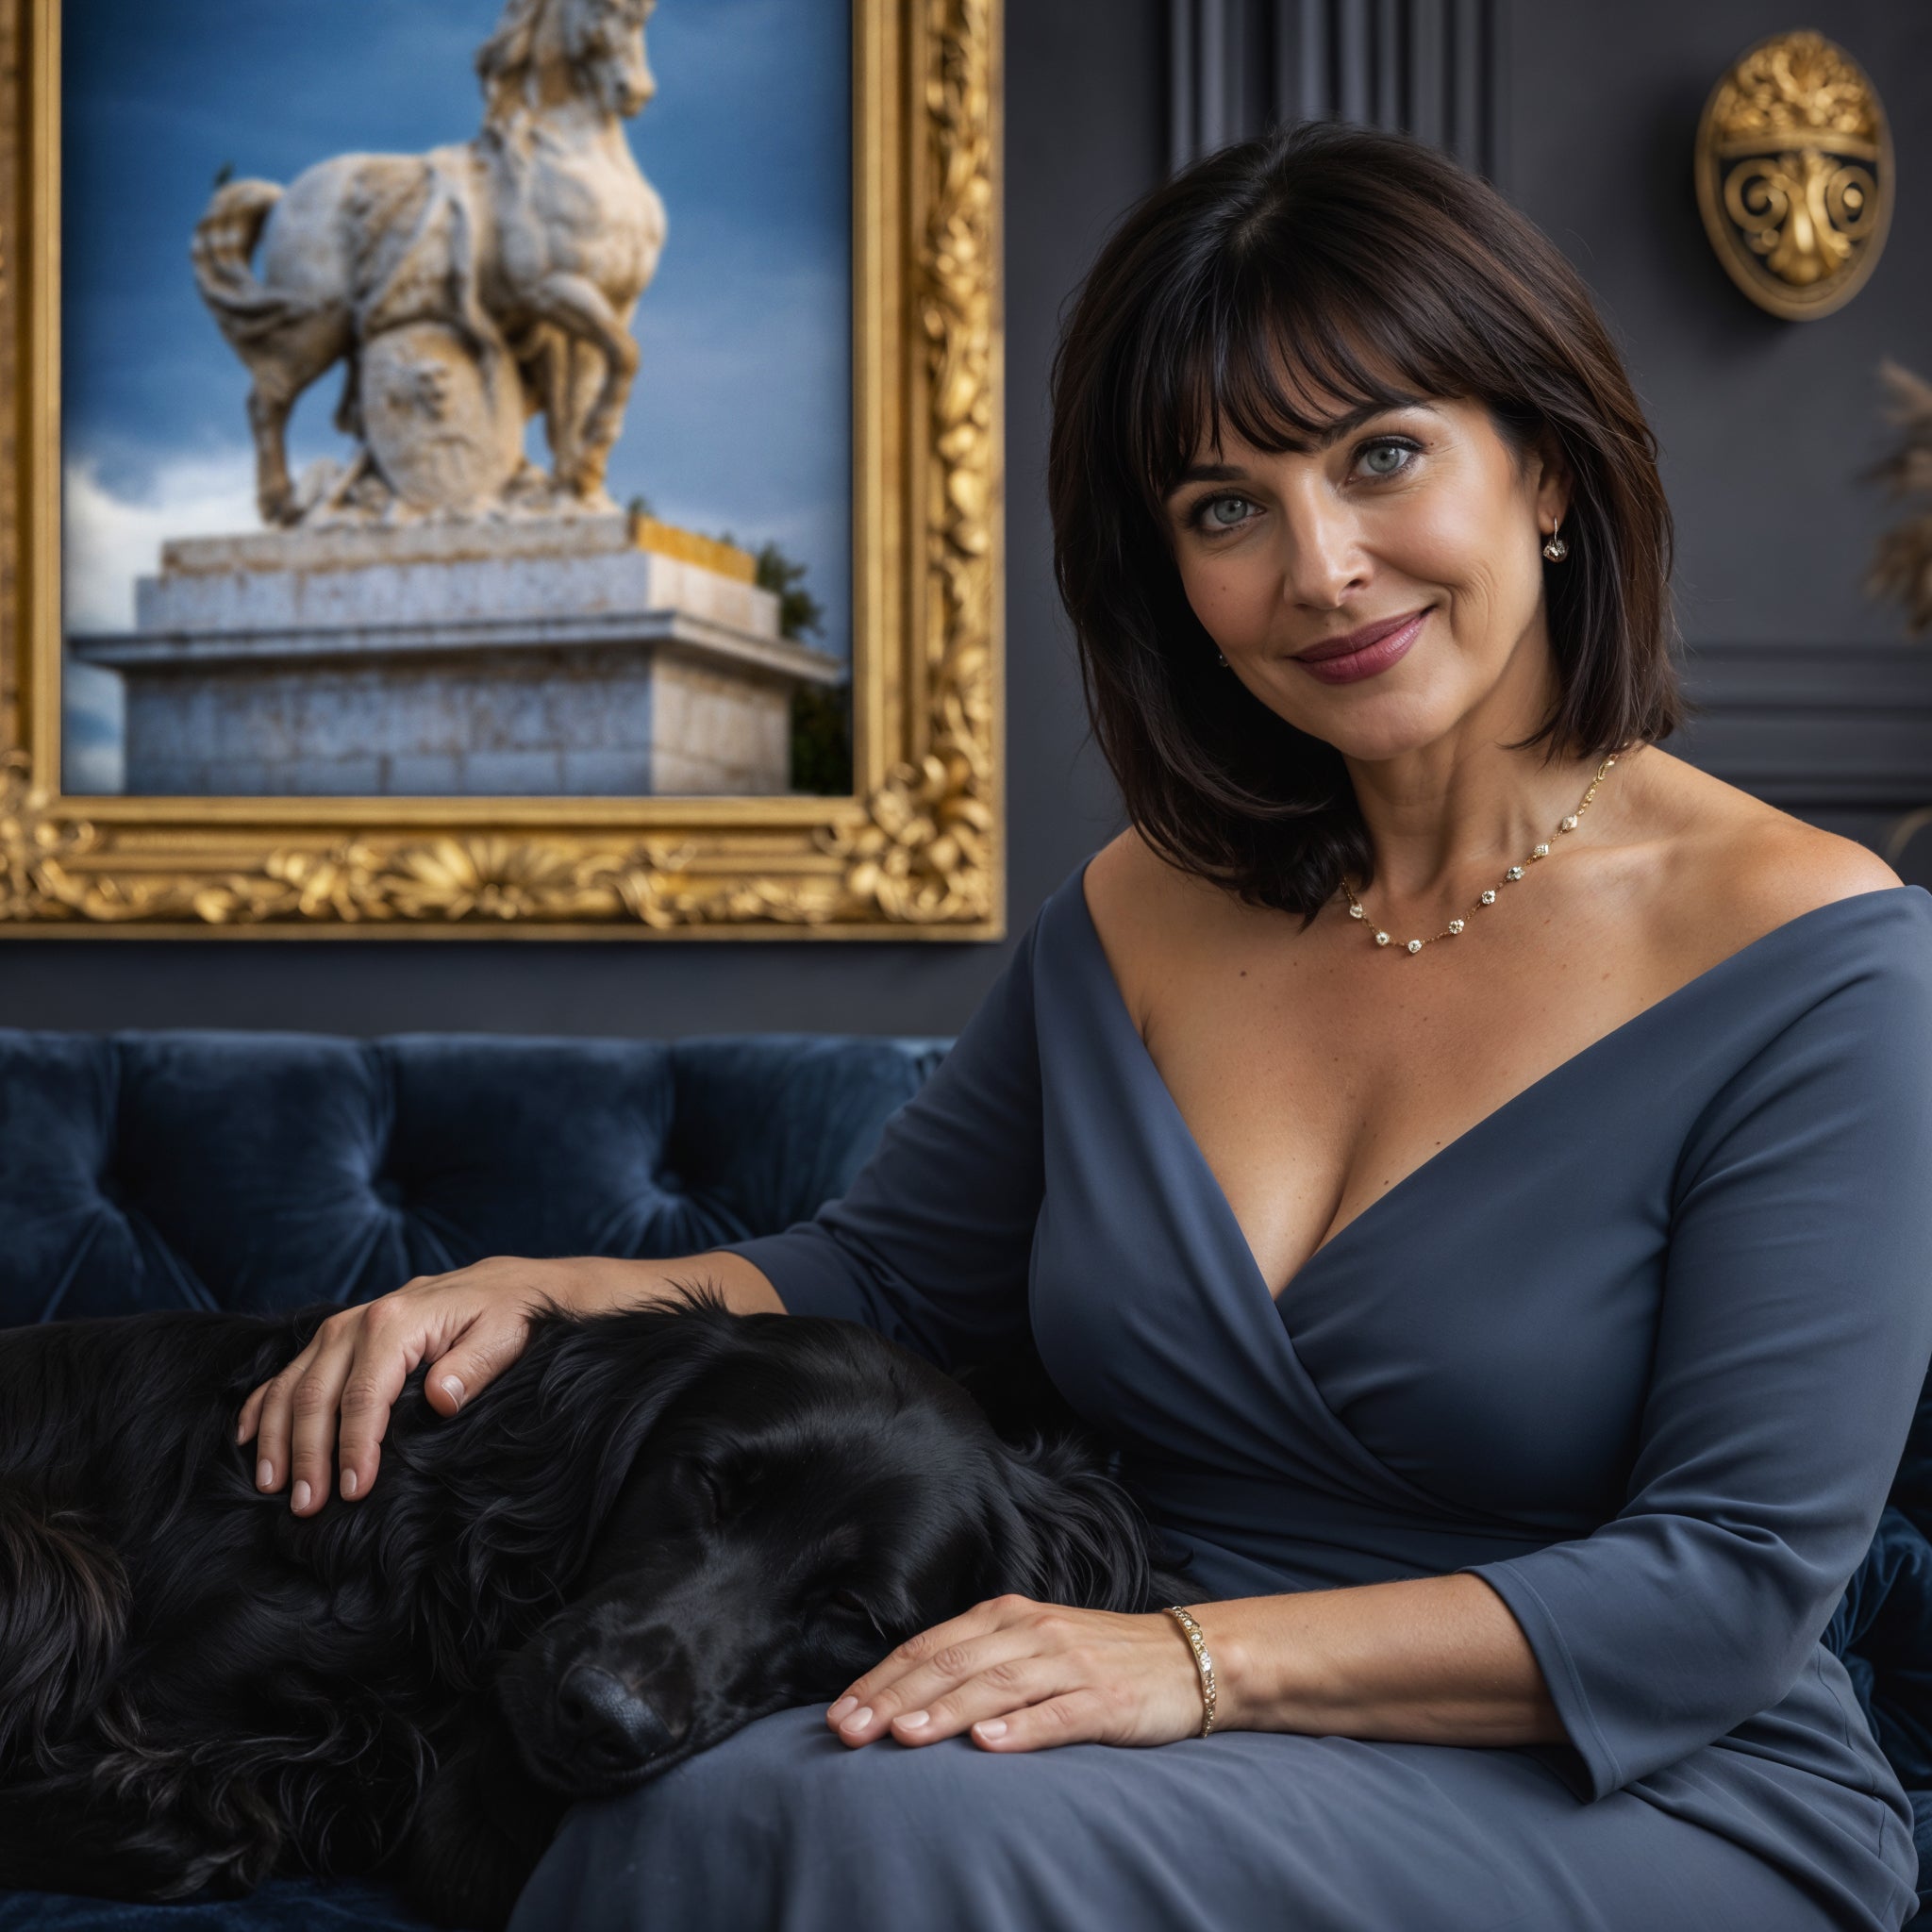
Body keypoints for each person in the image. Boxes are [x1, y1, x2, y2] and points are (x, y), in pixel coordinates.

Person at [240, 121, 1932, 1930]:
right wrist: (529, 1289)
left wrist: (1185, 1665)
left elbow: (1731, 1583)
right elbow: (885, 1282)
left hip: (1623, 1777)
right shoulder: (1141, 905)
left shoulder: (1822, 959)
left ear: (1548, 469)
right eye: (1227, 507)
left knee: (827, 1829)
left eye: (1382, 457)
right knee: (695, 1794)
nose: (1321, 566)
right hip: (1111, 1706)